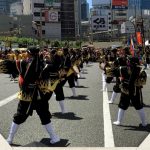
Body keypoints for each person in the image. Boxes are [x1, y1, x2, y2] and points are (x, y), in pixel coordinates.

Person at [0, 47, 60, 145]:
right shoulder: (44, 64)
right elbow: (55, 71)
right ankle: (54, 137)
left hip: (27, 95)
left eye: (27, 53)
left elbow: (9, 65)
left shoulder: (23, 63)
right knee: (44, 115)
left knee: (19, 116)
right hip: (40, 95)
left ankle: (10, 139)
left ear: (29, 54)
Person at [113, 56, 147, 127]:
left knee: (122, 105)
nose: (127, 61)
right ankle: (144, 123)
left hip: (125, 90)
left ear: (129, 62)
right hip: (135, 91)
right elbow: (143, 82)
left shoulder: (123, 69)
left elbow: (112, 71)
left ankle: (119, 121)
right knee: (138, 106)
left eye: (128, 61)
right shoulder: (140, 70)